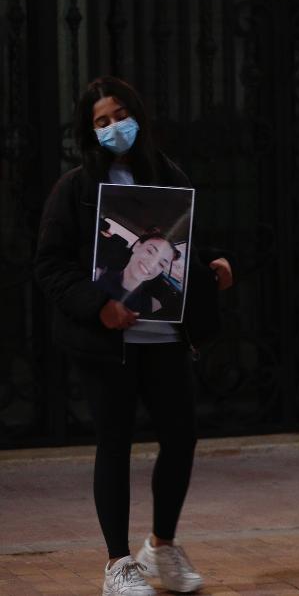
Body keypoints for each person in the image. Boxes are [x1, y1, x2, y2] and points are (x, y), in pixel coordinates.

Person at [34, 76, 233, 596]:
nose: (114, 126)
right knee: (114, 444)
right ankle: (118, 562)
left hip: (165, 339)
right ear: (88, 130)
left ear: (137, 114)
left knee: (181, 438)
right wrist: (98, 306)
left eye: (120, 114)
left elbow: (190, 243)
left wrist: (214, 264)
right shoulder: (75, 188)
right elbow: (50, 265)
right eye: (101, 121)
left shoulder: (168, 176)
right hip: (105, 346)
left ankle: (161, 548)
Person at [94, 231, 181, 318]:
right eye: (150, 251)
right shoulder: (98, 275)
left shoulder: (153, 306)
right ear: (137, 246)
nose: (152, 264)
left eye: (161, 264)